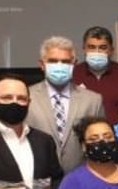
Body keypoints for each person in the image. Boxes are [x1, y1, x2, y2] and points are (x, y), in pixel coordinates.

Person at [26, 35, 105, 173]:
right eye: (53, 61)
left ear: (74, 64)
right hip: (38, 176)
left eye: (65, 61)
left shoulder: (93, 100)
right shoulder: (26, 97)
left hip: (81, 176)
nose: (59, 66)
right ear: (42, 64)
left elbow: (100, 142)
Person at [72, 26, 118, 123]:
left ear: (111, 50)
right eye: (91, 47)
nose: (97, 52)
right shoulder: (73, 74)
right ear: (84, 49)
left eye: (102, 47)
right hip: (82, 131)